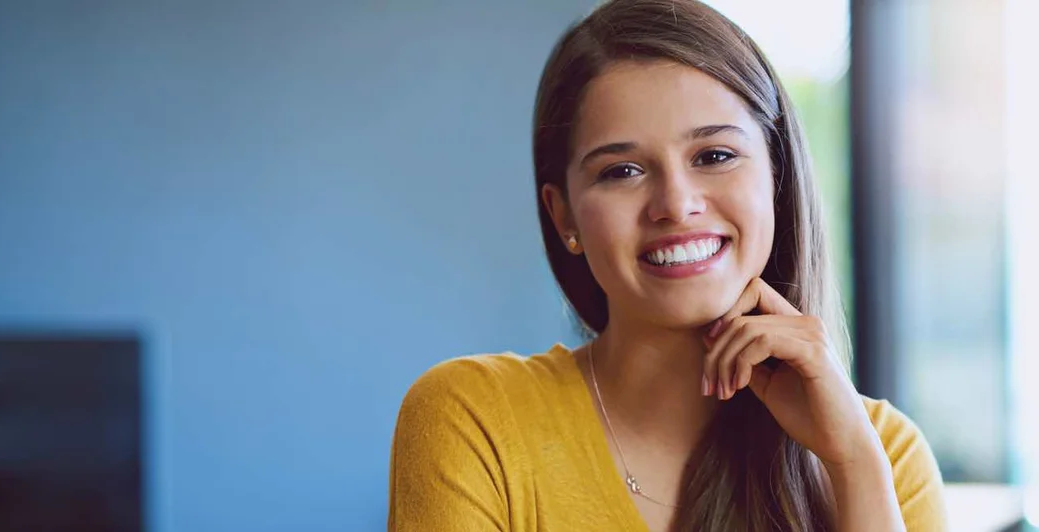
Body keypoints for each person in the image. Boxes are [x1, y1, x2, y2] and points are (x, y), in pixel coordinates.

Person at [388, 0, 946, 530]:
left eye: (715, 156)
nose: (676, 204)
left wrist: (852, 465)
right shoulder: (475, 421)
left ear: (776, 176)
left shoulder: (885, 455)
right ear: (564, 218)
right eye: (622, 171)